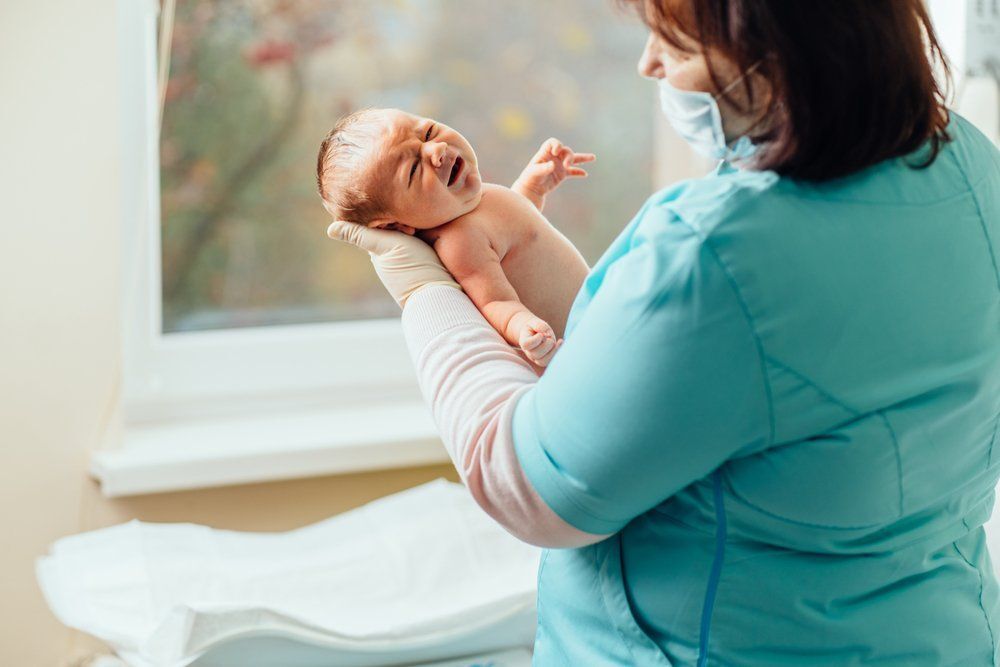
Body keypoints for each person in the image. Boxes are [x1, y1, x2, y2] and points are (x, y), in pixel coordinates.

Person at [327, 0, 1000, 664]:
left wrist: (424, 293)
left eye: (674, 44)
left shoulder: (714, 253)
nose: (649, 63)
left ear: (776, 46)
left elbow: (526, 485)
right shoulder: (970, 162)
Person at [315, 108, 594, 367]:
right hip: (576, 344)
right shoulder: (460, 242)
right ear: (395, 226)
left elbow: (516, 232)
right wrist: (523, 327)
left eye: (428, 132)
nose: (436, 149)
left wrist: (533, 187)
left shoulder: (474, 202)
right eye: (413, 170)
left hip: (593, 313)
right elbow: (496, 302)